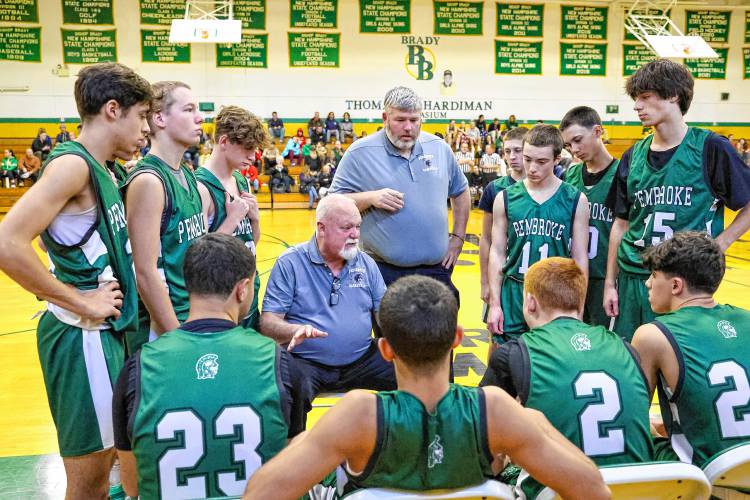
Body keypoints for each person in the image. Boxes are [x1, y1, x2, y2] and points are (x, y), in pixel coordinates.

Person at [245, 275, 610, 500]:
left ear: (385, 349)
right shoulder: (496, 410)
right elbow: (594, 489)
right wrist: (536, 423)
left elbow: (260, 493)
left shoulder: (358, 415)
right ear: (457, 339)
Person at [0, 62, 151, 499]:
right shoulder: (72, 166)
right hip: (81, 336)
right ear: (111, 110)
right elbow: (8, 243)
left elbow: (60, 240)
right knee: (90, 484)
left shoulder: (106, 169)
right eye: (141, 116)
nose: (145, 128)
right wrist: (81, 301)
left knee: (117, 471)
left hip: (109, 334)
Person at [113, 233, 305, 499]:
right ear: (243, 289)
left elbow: (132, 485)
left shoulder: (137, 368)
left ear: (188, 285)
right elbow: (292, 471)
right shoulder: (278, 361)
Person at [481, 258, 653, 499]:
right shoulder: (626, 348)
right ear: (580, 303)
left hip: (559, 493)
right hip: (637, 489)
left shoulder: (514, 352)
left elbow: (482, 443)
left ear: (530, 302)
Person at [604, 59, 750, 341]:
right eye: (636, 99)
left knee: (681, 372)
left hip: (686, 283)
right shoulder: (632, 155)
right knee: (633, 370)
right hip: (634, 277)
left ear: (674, 95)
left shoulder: (710, 147)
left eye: (645, 97)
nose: (637, 106)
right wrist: (611, 282)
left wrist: (722, 242)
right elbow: (620, 225)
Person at [260, 194, 395, 420]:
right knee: (287, 390)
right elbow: (268, 321)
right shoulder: (290, 263)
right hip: (307, 362)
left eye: (358, 226)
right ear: (321, 228)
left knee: (411, 374)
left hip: (362, 359)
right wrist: (294, 330)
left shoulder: (366, 263)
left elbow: (385, 315)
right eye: (346, 227)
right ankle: (295, 449)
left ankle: (402, 444)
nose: (355, 234)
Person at [331, 86, 470, 302]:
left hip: (437, 270)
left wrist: (458, 238)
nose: (408, 127)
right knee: (390, 336)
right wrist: (371, 198)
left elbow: (461, 192)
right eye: (400, 120)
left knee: (440, 335)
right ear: (385, 117)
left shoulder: (439, 148)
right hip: (383, 272)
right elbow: (332, 203)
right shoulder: (360, 153)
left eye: (414, 120)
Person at [632, 231, 750, 468]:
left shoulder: (652, 335)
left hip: (706, 473)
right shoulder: (746, 319)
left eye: (654, 275)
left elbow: (632, 421)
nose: (648, 283)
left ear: (676, 285)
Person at [486, 124, 589, 345]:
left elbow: (580, 258)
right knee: (508, 365)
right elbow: (496, 252)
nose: (532, 168)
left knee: (550, 366)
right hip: (514, 291)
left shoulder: (575, 199)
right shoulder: (504, 198)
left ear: (557, 159)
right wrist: (495, 304)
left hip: (556, 295)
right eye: (527, 159)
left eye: (541, 162)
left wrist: (578, 307)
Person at [124, 81, 207, 350]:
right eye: (189, 109)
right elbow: (144, 273)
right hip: (161, 328)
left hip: (191, 315)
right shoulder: (149, 181)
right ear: (159, 118)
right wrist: (178, 339)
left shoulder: (187, 173)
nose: (200, 117)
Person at [195, 105, 265, 331]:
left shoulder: (240, 180)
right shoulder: (200, 186)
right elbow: (199, 259)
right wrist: (231, 219)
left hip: (248, 292)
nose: (253, 156)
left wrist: (254, 220)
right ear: (224, 141)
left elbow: (251, 242)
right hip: (220, 302)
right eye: (247, 148)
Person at [561, 106, 618, 328]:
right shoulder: (572, 175)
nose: (574, 150)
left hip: (607, 279)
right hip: (574, 278)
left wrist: (612, 282)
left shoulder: (623, 173)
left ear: (597, 131)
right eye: (568, 145)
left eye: (578, 140)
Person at [478, 127, 528, 325]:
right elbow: (486, 238)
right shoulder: (495, 188)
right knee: (497, 333)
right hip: (501, 274)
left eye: (518, 150)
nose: (512, 157)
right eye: (507, 151)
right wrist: (484, 282)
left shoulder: (548, 187)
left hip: (531, 274)